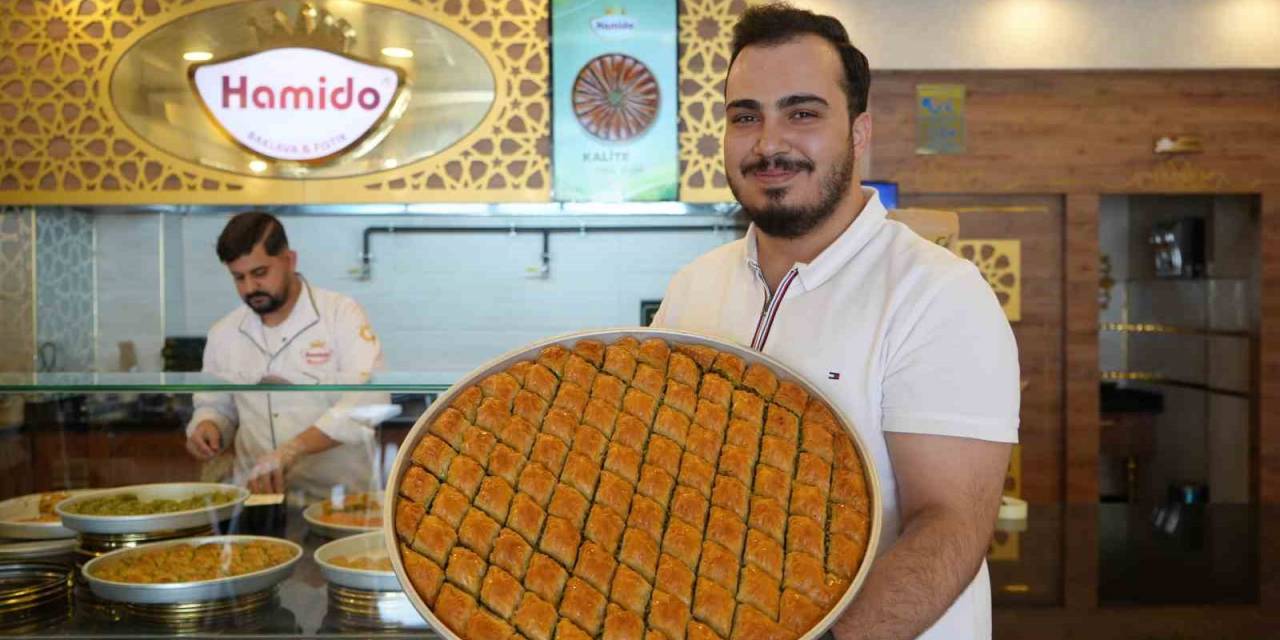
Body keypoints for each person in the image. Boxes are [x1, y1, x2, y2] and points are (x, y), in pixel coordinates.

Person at [651, 4, 1019, 639]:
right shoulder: (691, 290)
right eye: (746, 116)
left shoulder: (937, 295)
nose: (769, 143)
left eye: (802, 113)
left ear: (860, 130)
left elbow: (952, 525)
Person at [185, 212, 392, 501]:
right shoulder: (224, 332)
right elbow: (216, 405)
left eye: (260, 273)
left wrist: (291, 449)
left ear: (289, 260)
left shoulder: (340, 314)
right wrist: (209, 425)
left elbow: (370, 399)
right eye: (238, 277)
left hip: (337, 500)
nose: (249, 288)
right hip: (256, 499)